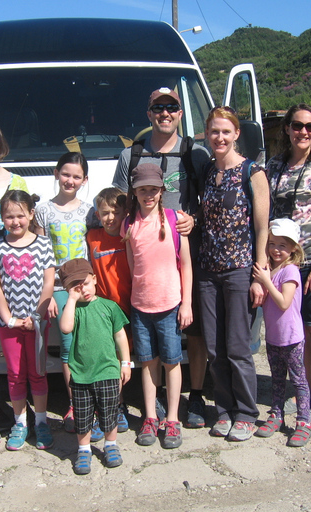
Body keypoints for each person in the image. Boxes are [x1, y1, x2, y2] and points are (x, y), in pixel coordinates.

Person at [112, 87, 211, 428]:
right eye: (158, 108)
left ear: (181, 113)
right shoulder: (132, 155)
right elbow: (122, 201)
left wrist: (194, 218)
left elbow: (206, 199)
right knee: (151, 344)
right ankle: (153, 410)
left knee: (193, 330)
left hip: (187, 251)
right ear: (149, 113)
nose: (165, 113)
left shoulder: (195, 152)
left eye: (172, 107)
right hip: (147, 255)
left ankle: (195, 395)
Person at [265, 104, 311, 425]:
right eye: (298, 126)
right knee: (296, 333)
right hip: (282, 264)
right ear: (287, 128)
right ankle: (302, 390)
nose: (304, 132)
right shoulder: (274, 165)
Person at [199, 106, 269, 442]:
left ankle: (247, 413)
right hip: (208, 272)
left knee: (238, 346)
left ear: (237, 134)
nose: (220, 137)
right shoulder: (209, 172)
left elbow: (261, 226)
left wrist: (259, 273)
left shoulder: (252, 172)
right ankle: (224, 410)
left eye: (226, 132)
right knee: (215, 348)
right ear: (207, 134)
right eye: (214, 132)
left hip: (240, 269)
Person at [123, 163, 192, 449]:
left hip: (170, 306)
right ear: (135, 192)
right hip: (141, 307)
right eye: (142, 190)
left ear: (162, 190)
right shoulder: (130, 225)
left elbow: (186, 265)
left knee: (172, 362)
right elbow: (132, 267)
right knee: (148, 363)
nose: (148, 194)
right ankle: (150, 417)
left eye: (153, 189)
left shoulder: (176, 220)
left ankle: (173, 418)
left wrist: (186, 303)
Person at [0, 190, 55, 451]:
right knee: (15, 374)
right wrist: (9, 319)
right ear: (2, 218)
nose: (15, 221)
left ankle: (41, 421)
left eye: (20, 215)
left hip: (38, 322)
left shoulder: (42, 243)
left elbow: (49, 281)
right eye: (9, 216)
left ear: (30, 214)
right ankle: (20, 422)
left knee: (37, 372)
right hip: (10, 324)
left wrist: (36, 316)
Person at [33, 152, 95, 436]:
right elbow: (41, 255)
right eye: (66, 174)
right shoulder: (44, 210)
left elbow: (92, 250)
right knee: (69, 346)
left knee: (90, 344)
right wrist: (46, 295)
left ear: (84, 180)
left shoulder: (89, 211)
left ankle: (97, 399)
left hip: (85, 287)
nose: (70, 180)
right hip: (58, 288)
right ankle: (76, 404)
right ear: (56, 173)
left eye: (77, 176)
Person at [58, 258, 132, 475]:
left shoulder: (109, 307)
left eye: (86, 284)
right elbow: (65, 328)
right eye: (75, 287)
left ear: (95, 280)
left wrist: (126, 363)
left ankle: (111, 445)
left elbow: (120, 336)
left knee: (109, 412)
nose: (84, 290)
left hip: (108, 370)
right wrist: (71, 300)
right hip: (81, 374)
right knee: (82, 416)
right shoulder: (73, 309)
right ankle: (83, 450)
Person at [252, 219, 311, 447]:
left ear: (294, 247)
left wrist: (266, 281)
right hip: (274, 338)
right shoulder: (273, 269)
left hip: (292, 338)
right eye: (272, 244)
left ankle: (303, 422)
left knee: (299, 381)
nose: (276, 250)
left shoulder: (290, 271)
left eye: (283, 245)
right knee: (277, 379)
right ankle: (276, 414)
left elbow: (284, 302)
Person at [87, 187, 133, 433]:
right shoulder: (92, 237)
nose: (110, 218)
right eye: (105, 213)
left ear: (126, 212)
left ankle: (146, 402)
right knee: (110, 361)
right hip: (105, 314)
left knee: (134, 357)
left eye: (116, 212)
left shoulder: (129, 236)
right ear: (97, 214)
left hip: (132, 307)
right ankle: (115, 405)